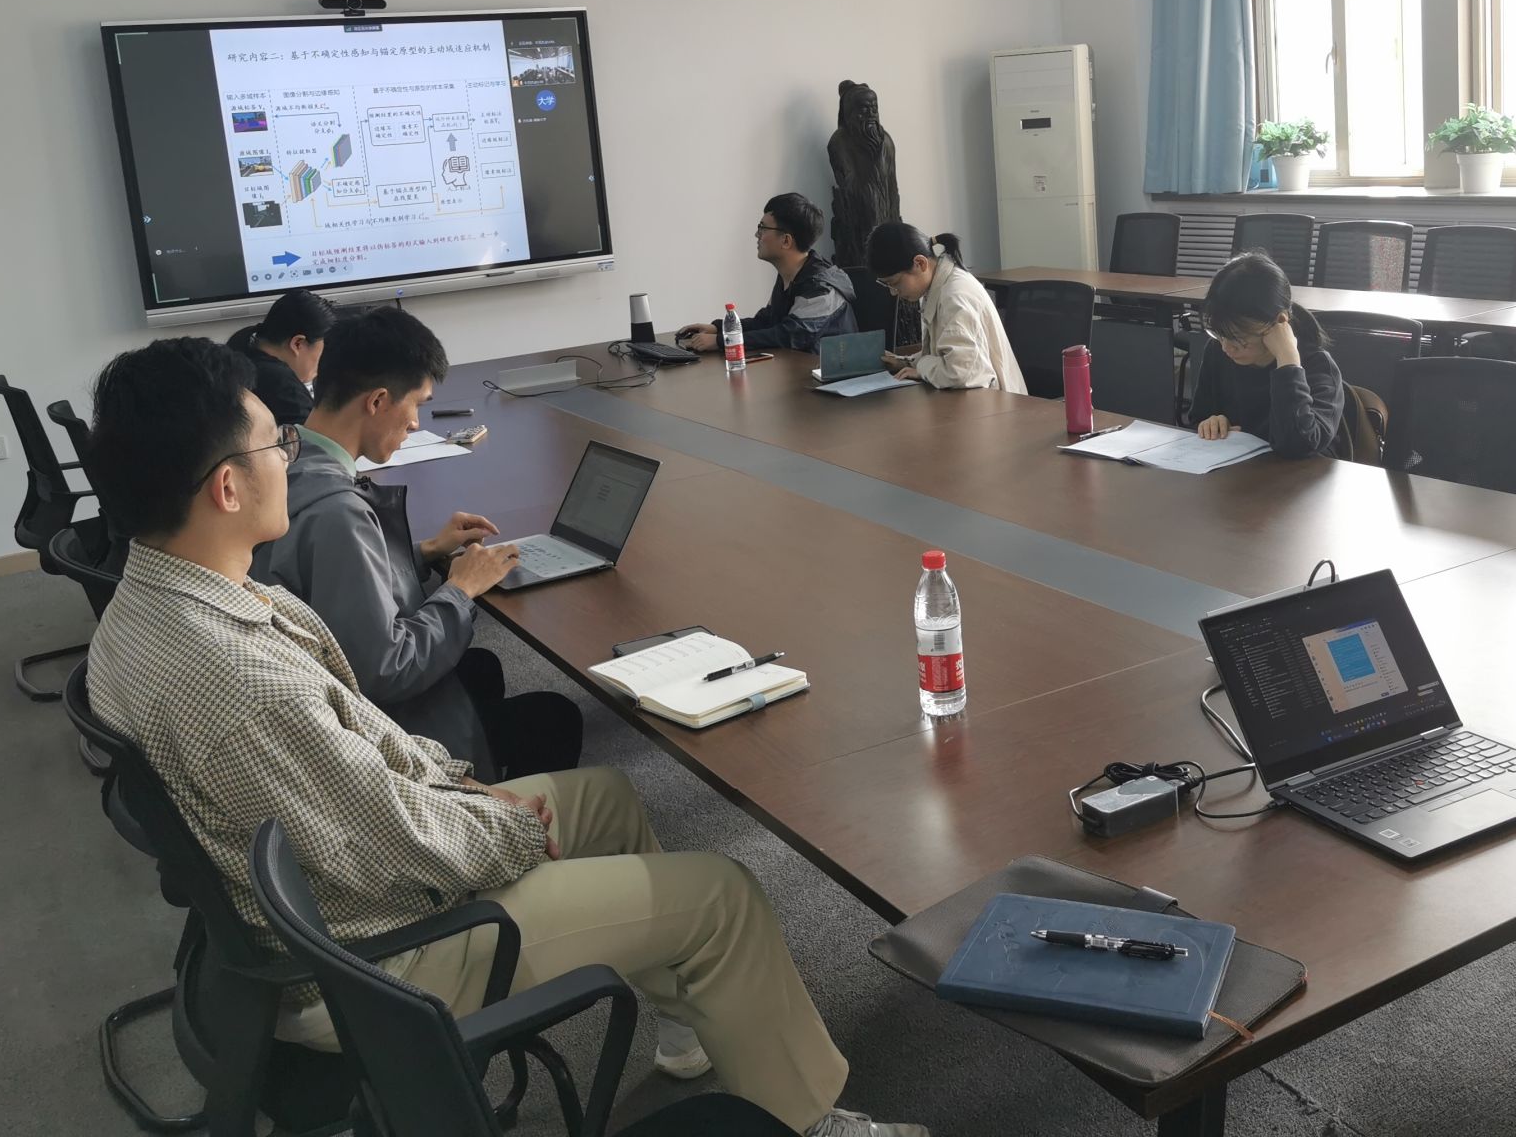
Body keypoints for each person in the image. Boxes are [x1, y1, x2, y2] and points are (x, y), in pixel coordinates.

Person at [81, 337, 927, 1137]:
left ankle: (693, 1014)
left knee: (606, 797)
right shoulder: (240, 684)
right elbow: (395, 846)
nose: (291, 456)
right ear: (227, 489)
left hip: (342, 887)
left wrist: (467, 788)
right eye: (277, 444)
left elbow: (366, 745)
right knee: (723, 895)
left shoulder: (158, 597)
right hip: (380, 958)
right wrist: (506, 828)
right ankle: (810, 1118)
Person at [252, 306, 583, 785]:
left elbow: (324, 577)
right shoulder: (337, 513)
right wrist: (460, 590)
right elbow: (388, 670)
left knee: (480, 668)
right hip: (385, 739)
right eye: (417, 405)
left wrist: (424, 551)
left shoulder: (290, 462)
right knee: (555, 716)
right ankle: (500, 817)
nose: (414, 423)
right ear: (378, 401)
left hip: (328, 705)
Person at [1188, 252, 1346, 458]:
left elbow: (1297, 446)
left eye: (1239, 338)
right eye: (1220, 334)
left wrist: (1288, 362)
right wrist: (1211, 423)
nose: (1226, 347)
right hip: (1242, 470)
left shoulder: (1318, 365)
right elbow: (1198, 418)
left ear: (1279, 321)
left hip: (1303, 475)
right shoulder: (1216, 350)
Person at [678, 193, 858, 353]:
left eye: (763, 228)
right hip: (798, 370)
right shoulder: (791, 274)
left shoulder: (821, 287)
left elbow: (789, 335)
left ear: (786, 241)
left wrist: (722, 341)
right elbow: (766, 322)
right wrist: (718, 328)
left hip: (830, 375)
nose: (757, 235)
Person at [865, 223, 1026, 393]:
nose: (893, 292)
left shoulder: (955, 296)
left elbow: (960, 372)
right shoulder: (940, 285)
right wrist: (905, 362)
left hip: (997, 403)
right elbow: (947, 353)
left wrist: (921, 366)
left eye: (895, 283)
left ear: (920, 263)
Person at [225, 289, 335, 427]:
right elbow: (314, 439)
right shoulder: (285, 388)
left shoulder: (240, 346)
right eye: (322, 355)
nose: (319, 370)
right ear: (298, 343)